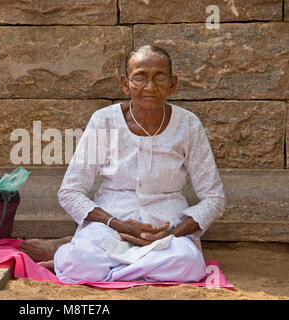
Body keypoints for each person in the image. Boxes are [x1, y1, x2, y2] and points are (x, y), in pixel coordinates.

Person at [21, 45, 226, 284]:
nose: (150, 86)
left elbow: (214, 198)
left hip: (166, 227)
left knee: (188, 265)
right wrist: (118, 224)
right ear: (125, 84)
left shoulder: (188, 125)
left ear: (173, 84)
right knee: (80, 261)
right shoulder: (104, 120)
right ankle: (114, 260)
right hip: (111, 222)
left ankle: (90, 259)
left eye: (160, 78)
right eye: (139, 78)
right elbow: (70, 191)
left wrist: (169, 235)